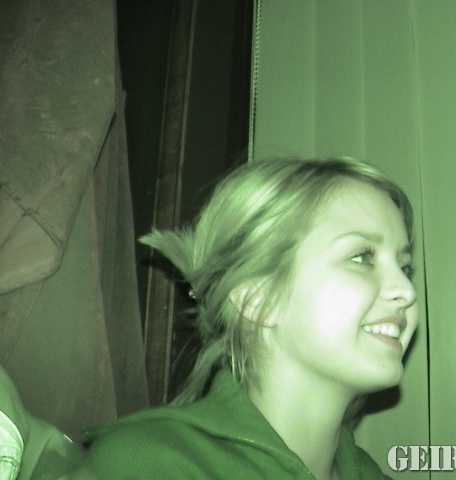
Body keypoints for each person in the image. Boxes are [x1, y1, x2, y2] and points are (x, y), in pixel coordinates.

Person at [85, 157, 419, 480]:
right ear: (258, 300)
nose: (406, 290)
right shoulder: (147, 466)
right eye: (361, 257)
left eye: (404, 268)